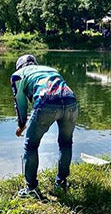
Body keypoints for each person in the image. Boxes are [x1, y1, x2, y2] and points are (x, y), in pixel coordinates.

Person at [11, 54, 78, 198]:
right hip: (71, 102)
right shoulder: (50, 69)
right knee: (66, 143)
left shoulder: (17, 75)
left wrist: (21, 124)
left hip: (46, 102)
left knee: (31, 145)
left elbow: (20, 102)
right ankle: (61, 183)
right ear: (35, 63)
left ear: (19, 66)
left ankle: (31, 188)